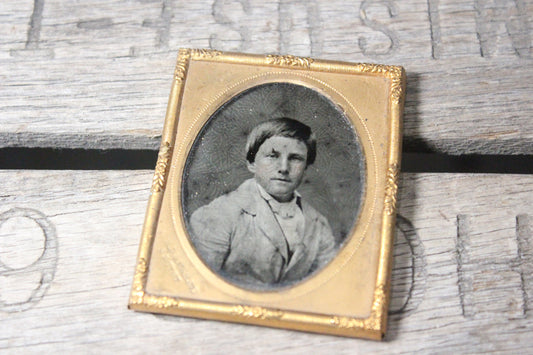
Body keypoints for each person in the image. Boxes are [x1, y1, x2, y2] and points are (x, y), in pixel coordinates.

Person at [189, 118, 335, 288]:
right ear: (251, 163)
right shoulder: (218, 214)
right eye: (273, 156)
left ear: (306, 168)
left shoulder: (318, 225)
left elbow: (326, 287)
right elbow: (199, 285)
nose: (283, 168)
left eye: (295, 158)